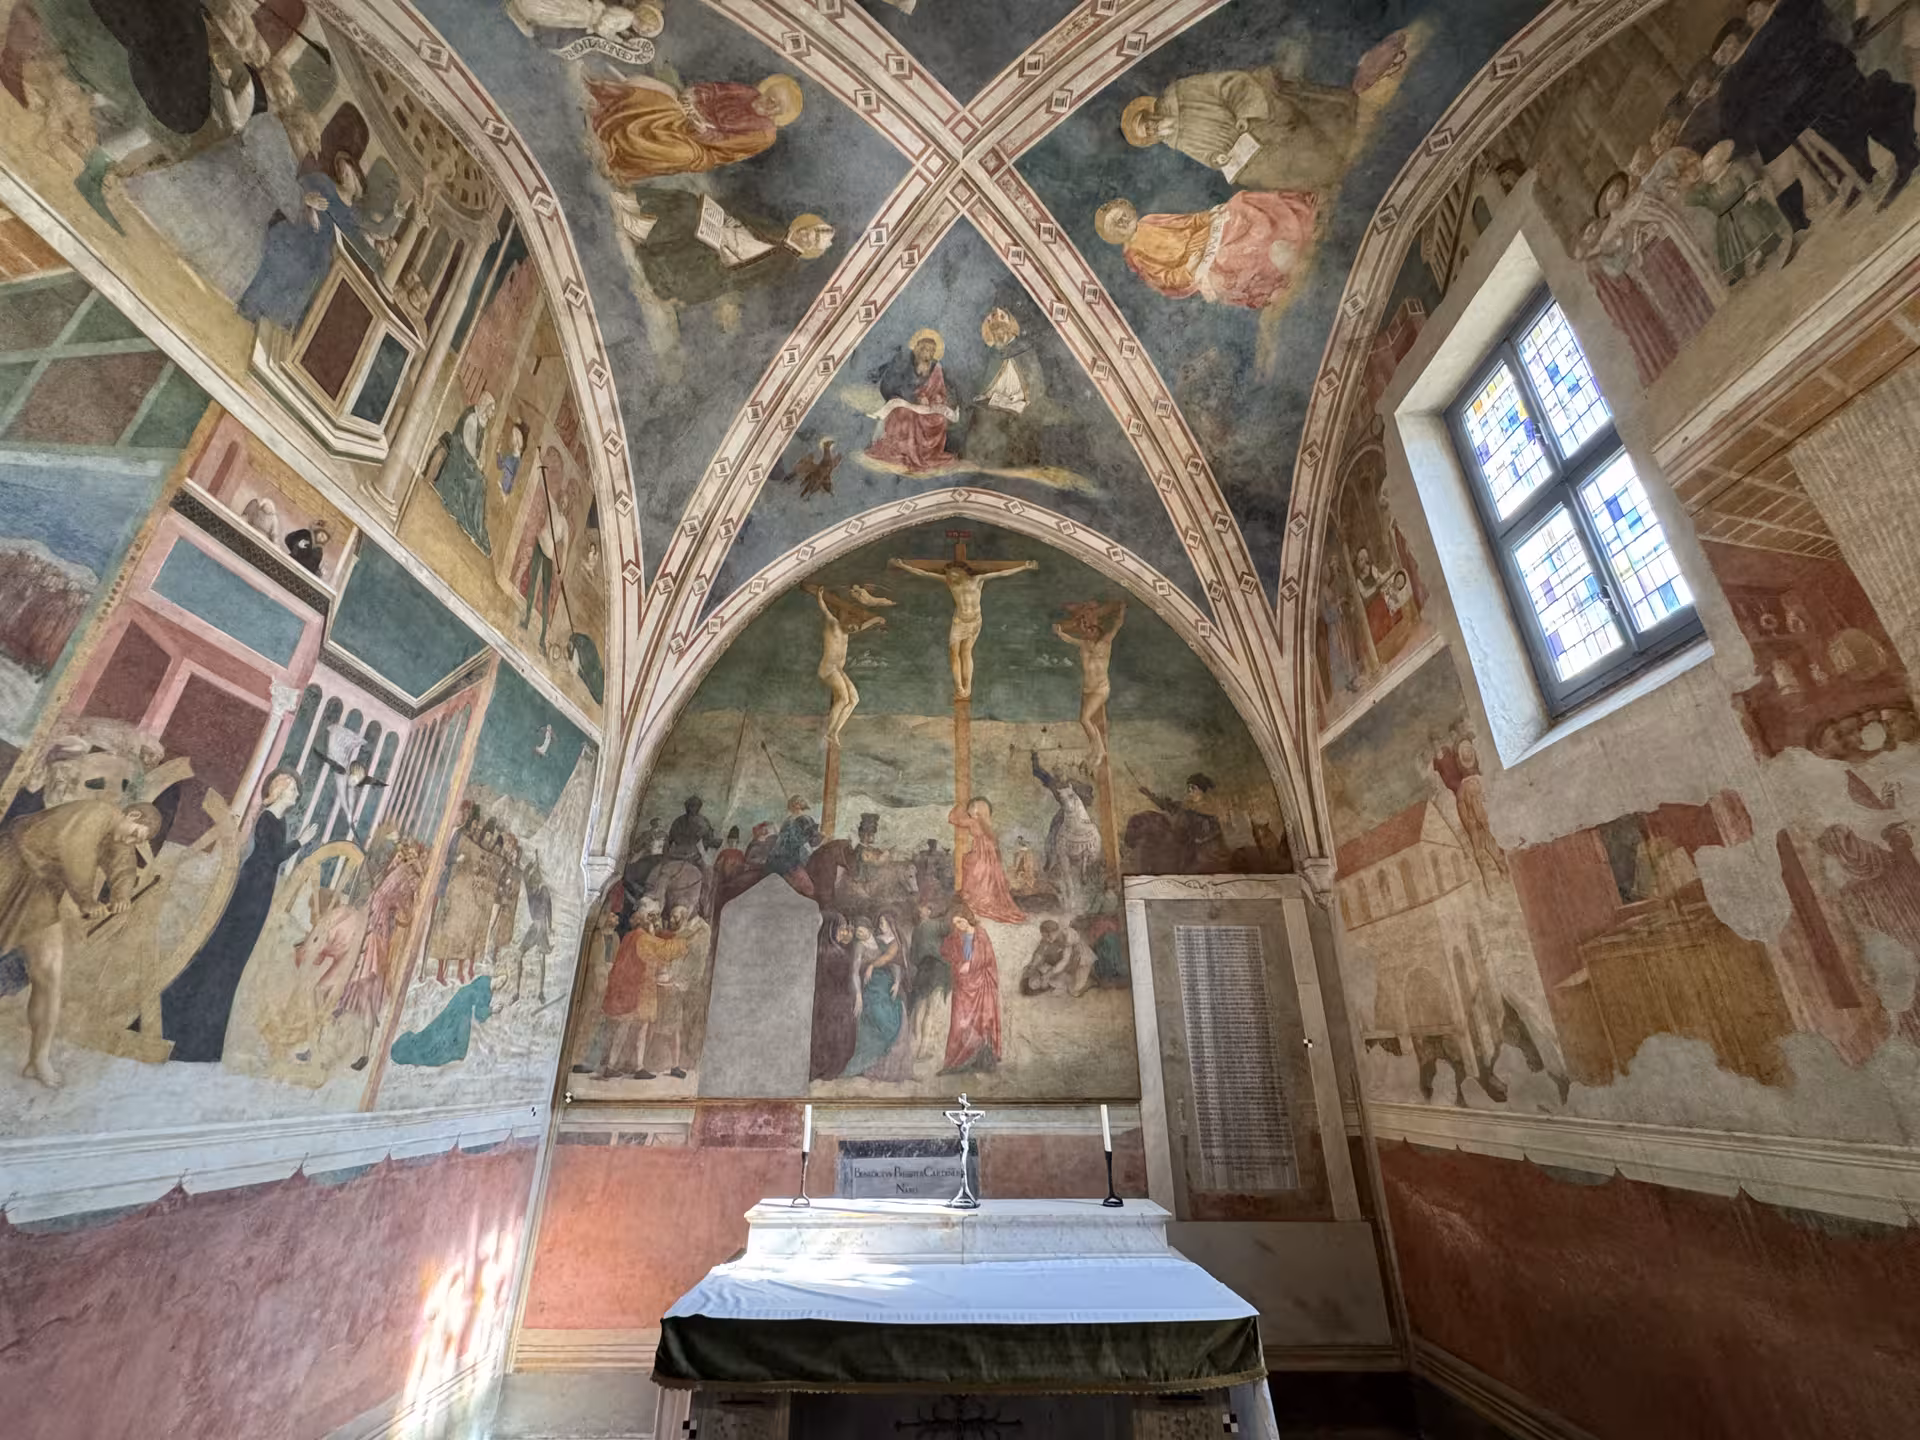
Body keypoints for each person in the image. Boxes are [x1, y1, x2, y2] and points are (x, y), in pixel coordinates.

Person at [0, 797, 162, 1087]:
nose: (132, 841)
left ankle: (38, 1059)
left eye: (138, 841)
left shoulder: (118, 837)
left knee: (49, 973)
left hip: (43, 892)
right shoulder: (98, 812)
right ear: (133, 815)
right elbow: (75, 852)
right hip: (10, 869)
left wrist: (121, 895)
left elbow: (123, 865)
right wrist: (86, 900)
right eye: (136, 834)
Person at [161, 772, 313, 1063]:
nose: (296, 792)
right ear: (279, 790)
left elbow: (272, 860)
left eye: (296, 788)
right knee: (222, 958)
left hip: (261, 891)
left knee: (232, 965)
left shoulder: (279, 822)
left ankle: (202, 1041)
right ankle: (187, 1036)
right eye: (292, 787)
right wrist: (300, 843)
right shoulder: (267, 818)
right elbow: (269, 858)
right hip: (251, 890)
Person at [1117, 44, 1404, 192]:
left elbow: (1228, 84)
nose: (1152, 128)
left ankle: (1347, 156)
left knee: (1292, 139)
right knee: (1263, 173)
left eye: (1147, 122)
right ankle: (1336, 177)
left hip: (1254, 115)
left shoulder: (1180, 93)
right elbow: (1206, 154)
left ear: (1148, 112)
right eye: (1148, 133)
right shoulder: (1173, 140)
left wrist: (1244, 116)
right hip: (1243, 152)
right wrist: (1217, 158)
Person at [1096, 192, 1318, 310]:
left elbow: (1187, 222)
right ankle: (1282, 266)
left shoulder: (1148, 220)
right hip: (1198, 262)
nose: (1123, 221)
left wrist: (1208, 217)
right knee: (1233, 254)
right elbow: (1165, 279)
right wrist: (1189, 268)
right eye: (1117, 224)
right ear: (1114, 234)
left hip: (1204, 236)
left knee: (1238, 205)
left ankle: (1294, 222)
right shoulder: (1134, 254)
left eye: (1122, 215)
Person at [614, 187, 834, 305]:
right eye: (811, 231)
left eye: (812, 240)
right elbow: (747, 223)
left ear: (810, 249)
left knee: (694, 230)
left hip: (722, 264)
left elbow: (746, 276)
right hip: (724, 233)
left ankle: (641, 229)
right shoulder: (778, 229)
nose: (807, 236)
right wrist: (728, 219)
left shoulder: (785, 264)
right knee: (690, 203)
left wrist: (724, 251)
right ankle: (635, 203)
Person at [588, 72, 804, 183]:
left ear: (780, 114)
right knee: (661, 102)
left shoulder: (765, 134)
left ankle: (617, 160)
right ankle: (604, 111)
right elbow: (713, 90)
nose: (769, 104)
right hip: (688, 114)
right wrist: (694, 97)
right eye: (771, 97)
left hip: (702, 148)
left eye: (776, 106)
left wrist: (700, 129)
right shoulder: (747, 92)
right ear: (766, 90)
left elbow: (723, 144)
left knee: (679, 153)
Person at [888, 551, 1038, 698]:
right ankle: (959, 687)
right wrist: (902, 566)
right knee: (954, 654)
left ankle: (968, 687)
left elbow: (1002, 573)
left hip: (974, 621)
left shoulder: (977, 579)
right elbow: (924, 573)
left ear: (962, 571)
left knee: (966, 652)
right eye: (949, 573)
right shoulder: (949, 581)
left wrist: (1024, 566)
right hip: (959, 621)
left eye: (953, 573)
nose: (951, 576)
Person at [864, 329, 961, 474]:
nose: (928, 354)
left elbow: (940, 390)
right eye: (925, 350)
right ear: (917, 349)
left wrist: (937, 397)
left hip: (927, 407)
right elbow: (892, 386)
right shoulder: (904, 364)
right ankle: (906, 453)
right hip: (905, 402)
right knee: (906, 415)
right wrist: (915, 397)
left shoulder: (936, 368)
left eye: (931, 351)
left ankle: (927, 455)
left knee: (940, 419)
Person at [1052, 598, 1125, 765]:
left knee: (1084, 719)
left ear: (1098, 632)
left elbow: (1117, 625)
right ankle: (1097, 749)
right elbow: (1069, 639)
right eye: (1087, 629)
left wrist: (1122, 610)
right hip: (1087, 690)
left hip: (1100, 689)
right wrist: (1059, 632)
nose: (1088, 631)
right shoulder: (1084, 644)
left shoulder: (1106, 643)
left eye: (1092, 629)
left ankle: (1099, 750)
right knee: (1088, 720)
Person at [808, 584, 886, 740]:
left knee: (854, 700)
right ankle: (828, 733)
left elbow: (862, 626)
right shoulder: (833, 624)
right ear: (843, 618)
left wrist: (877, 619)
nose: (854, 627)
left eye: (854, 626)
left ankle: (835, 732)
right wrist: (820, 596)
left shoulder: (847, 630)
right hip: (828, 669)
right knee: (843, 699)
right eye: (851, 623)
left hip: (838, 670)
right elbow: (825, 610)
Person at [1031, 752, 1102, 915]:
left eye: (1060, 769)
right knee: (1053, 831)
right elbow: (1039, 773)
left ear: (1065, 770)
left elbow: (1090, 793)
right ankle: (1050, 858)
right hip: (1064, 813)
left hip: (1080, 812)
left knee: (1092, 828)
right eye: (1056, 770)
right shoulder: (1053, 783)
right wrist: (1034, 757)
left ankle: (1092, 854)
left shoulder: (1074, 783)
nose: (1058, 772)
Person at [845, 913, 913, 1080]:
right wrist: (858, 995)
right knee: (878, 1017)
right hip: (870, 986)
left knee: (896, 1011)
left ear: (869, 929)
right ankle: (869, 1065)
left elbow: (893, 963)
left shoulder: (880, 941)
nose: (859, 934)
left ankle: (887, 1067)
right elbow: (854, 972)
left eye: (862, 930)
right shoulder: (859, 946)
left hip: (886, 984)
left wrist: (897, 981)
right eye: (857, 932)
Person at [431, 391, 497, 555]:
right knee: (479, 482)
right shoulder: (472, 417)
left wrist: (479, 462)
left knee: (481, 481)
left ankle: (475, 525)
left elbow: (479, 449)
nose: (492, 413)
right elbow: (467, 444)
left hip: (468, 457)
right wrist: (475, 463)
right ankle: (471, 523)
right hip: (460, 452)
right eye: (491, 409)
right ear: (485, 405)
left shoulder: (482, 422)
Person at [939, 909, 1001, 1073]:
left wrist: (971, 964)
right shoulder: (955, 937)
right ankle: (956, 1062)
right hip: (962, 985)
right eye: (955, 923)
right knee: (959, 1023)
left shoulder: (980, 935)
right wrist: (957, 963)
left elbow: (988, 958)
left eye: (960, 921)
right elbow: (945, 952)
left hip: (981, 985)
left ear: (968, 918)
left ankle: (983, 1061)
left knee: (982, 1022)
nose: (958, 926)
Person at [947, 797, 1025, 924]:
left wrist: (959, 806)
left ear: (979, 810)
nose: (969, 810)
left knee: (974, 870)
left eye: (972, 807)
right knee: (978, 871)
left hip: (981, 854)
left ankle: (978, 900)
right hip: (988, 855)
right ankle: (980, 898)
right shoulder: (986, 824)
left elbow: (952, 819)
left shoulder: (973, 822)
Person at [1139, 773, 1228, 873]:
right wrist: (1149, 795)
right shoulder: (1185, 806)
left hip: (1206, 853)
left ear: (1201, 790)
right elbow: (1166, 805)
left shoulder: (1209, 809)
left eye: (1193, 787)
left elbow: (1212, 834)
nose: (1189, 790)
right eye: (1188, 787)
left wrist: (1196, 840)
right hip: (1189, 847)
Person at [809, 911, 858, 1079]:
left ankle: (823, 1067)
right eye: (841, 928)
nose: (843, 932)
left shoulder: (820, 949)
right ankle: (830, 1068)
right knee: (836, 1034)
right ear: (831, 929)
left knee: (823, 1034)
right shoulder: (835, 953)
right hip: (836, 1000)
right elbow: (844, 980)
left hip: (823, 999)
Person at [1020, 919, 1096, 997]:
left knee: (1074, 989)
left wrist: (1050, 973)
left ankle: (1089, 979)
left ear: (1056, 931)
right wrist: (1033, 964)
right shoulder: (1048, 938)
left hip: (1079, 958)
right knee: (1055, 978)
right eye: (1044, 936)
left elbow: (1064, 960)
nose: (1047, 939)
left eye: (1049, 936)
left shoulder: (1067, 937)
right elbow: (1039, 952)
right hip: (1066, 960)